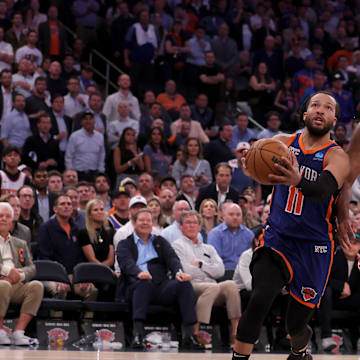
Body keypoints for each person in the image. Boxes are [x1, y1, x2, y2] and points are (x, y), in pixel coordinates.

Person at [232, 91, 350, 360]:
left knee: (295, 324)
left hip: (315, 247)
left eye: (328, 108)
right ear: (305, 113)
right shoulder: (280, 142)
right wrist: (249, 164)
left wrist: (297, 179)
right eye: (315, 105)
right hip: (278, 238)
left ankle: (300, 351)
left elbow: (321, 190)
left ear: (335, 119)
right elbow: (256, 169)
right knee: (260, 298)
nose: (321, 110)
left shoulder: (337, 157)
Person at [116, 208, 204, 350]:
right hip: (135, 285)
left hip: (160, 285)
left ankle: (190, 336)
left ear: (153, 223)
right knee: (143, 283)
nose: (145, 223)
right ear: (133, 222)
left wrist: (178, 272)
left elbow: (172, 259)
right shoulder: (124, 244)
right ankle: (137, 335)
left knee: (184, 284)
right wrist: (139, 273)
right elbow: (126, 264)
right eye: (142, 220)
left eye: (148, 220)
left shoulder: (160, 241)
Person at [172, 210, 241, 348]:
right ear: (181, 227)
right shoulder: (177, 245)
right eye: (188, 223)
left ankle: (235, 334)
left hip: (211, 285)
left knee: (231, 285)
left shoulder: (208, 248)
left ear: (199, 227)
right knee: (213, 287)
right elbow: (187, 271)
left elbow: (220, 270)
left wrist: (201, 265)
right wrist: (209, 272)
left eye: (195, 223)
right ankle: (195, 334)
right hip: (191, 286)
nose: (191, 226)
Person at [38, 194, 97, 302]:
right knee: (59, 289)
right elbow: (44, 256)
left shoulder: (77, 229)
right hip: (51, 274)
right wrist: (57, 278)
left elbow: (80, 257)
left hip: (73, 275)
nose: (66, 206)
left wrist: (83, 277)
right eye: (63, 204)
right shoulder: (46, 228)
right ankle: (56, 319)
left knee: (92, 290)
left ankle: (85, 319)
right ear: (55, 209)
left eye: (69, 204)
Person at [0, 202, 43, 346]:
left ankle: (19, 332)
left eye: (7, 217)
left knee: (37, 286)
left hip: (16, 284)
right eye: (0, 216)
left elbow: (31, 267)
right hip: (2, 283)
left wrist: (21, 275)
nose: (3, 219)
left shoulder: (20, 243)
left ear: (12, 222)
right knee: (4, 284)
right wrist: (7, 271)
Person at [208, 203, 254, 281]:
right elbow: (214, 261)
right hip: (224, 272)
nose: (235, 217)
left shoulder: (249, 234)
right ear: (224, 216)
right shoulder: (215, 234)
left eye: (238, 214)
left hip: (245, 272)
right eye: (231, 214)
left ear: (242, 217)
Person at [65, 111, 105, 182]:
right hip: (78, 173)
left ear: (94, 121)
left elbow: (101, 155)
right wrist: (71, 173)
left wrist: (101, 171)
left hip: (94, 173)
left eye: (90, 119)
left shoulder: (100, 136)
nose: (88, 121)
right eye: (85, 119)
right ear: (81, 122)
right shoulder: (74, 136)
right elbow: (69, 156)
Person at [78, 199, 114, 268]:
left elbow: (111, 260)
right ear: (89, 215)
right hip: (91, 271)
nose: (100, 212)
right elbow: (92, 259)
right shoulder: (84, 233)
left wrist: (106, 270)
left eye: (101, 209)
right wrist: (103, 269)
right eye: (95, 210)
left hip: (109, 271)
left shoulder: (109, 231)